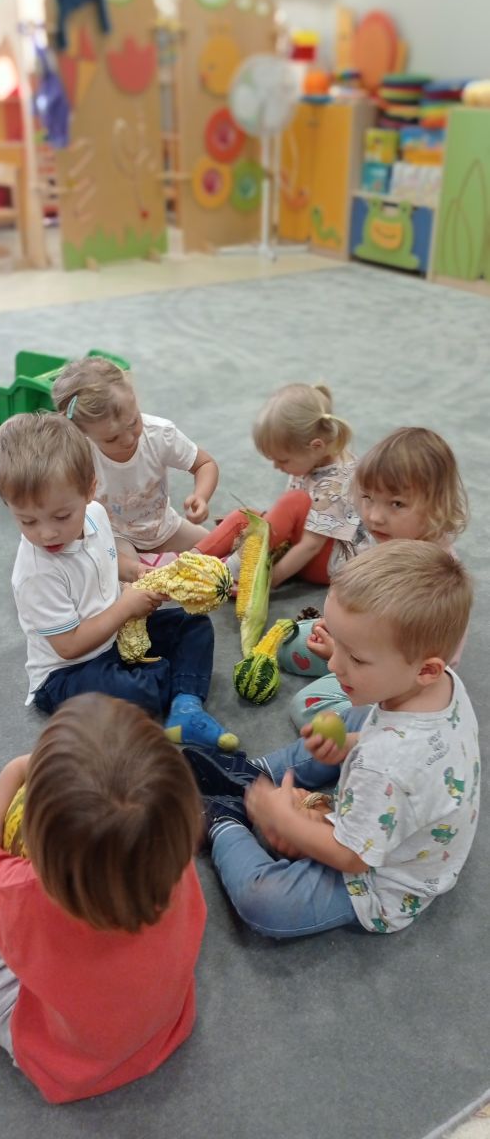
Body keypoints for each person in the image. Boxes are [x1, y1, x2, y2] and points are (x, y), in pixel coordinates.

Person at [182, 541, 479, 939]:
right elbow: (404, 749)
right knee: (355, 717)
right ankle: (254, 773)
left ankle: (224, 819)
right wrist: (352, 742)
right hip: (396, 790)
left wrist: (286, 821)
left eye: (356, 658)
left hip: (379, 880)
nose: (334, 664)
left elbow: (352, 858)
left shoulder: (385, 765)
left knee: (267, 903)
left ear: (426, 669)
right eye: (338, 644)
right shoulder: (440, 684)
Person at [0, 694, 206, 1102]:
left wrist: (13, 771)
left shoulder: (24, 893)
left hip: (65, 1056)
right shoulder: (171, 855)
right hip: (164, 1027)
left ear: (40, 850)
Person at [0, 412, 236, 749]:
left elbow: (106, 556)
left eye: (61, 516)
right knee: (136, 692)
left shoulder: (96, 514)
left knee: (193, 625)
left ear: (90, 490)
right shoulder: (36, 573)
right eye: (27, 521)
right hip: (69, 671)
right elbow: (69, 645)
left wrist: (133, 571)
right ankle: (170, 682)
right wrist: (126, 607)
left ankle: (185, 706)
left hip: (115, 635)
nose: (46, 533)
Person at [280, 427, 470, 730]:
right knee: (286, 644)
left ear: (438, 506)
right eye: (368, 498)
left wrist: (345, 656)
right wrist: (341, 639)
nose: (374, 516)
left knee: (309, 706)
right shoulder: (388, 538)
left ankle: (374, 725)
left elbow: (419, 667)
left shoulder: (434, 579)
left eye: (397, 504)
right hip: (362, 647)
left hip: (399, 679)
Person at [52, 355, 219, 580]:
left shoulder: (159, 434)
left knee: (214, 549)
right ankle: (139, 570)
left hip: (163, 526)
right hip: (116, 534)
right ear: (83, 433)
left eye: (133, 423)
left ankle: (150, 565)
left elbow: (205, 464)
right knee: (126, 573)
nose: (128, 439)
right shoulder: (81, 454)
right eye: (111, 438)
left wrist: (201, 496)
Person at [195, 382, 369, 589]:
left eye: (283, 460)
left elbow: (311, 546)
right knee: (244, 517)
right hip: (301, 544)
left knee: (294, 501)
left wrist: (267, 582)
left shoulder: (338, 480)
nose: (277, 467)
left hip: (332, 563)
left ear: (316, 446)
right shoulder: (310, 460)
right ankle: (188, 562)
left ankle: (234, 568)